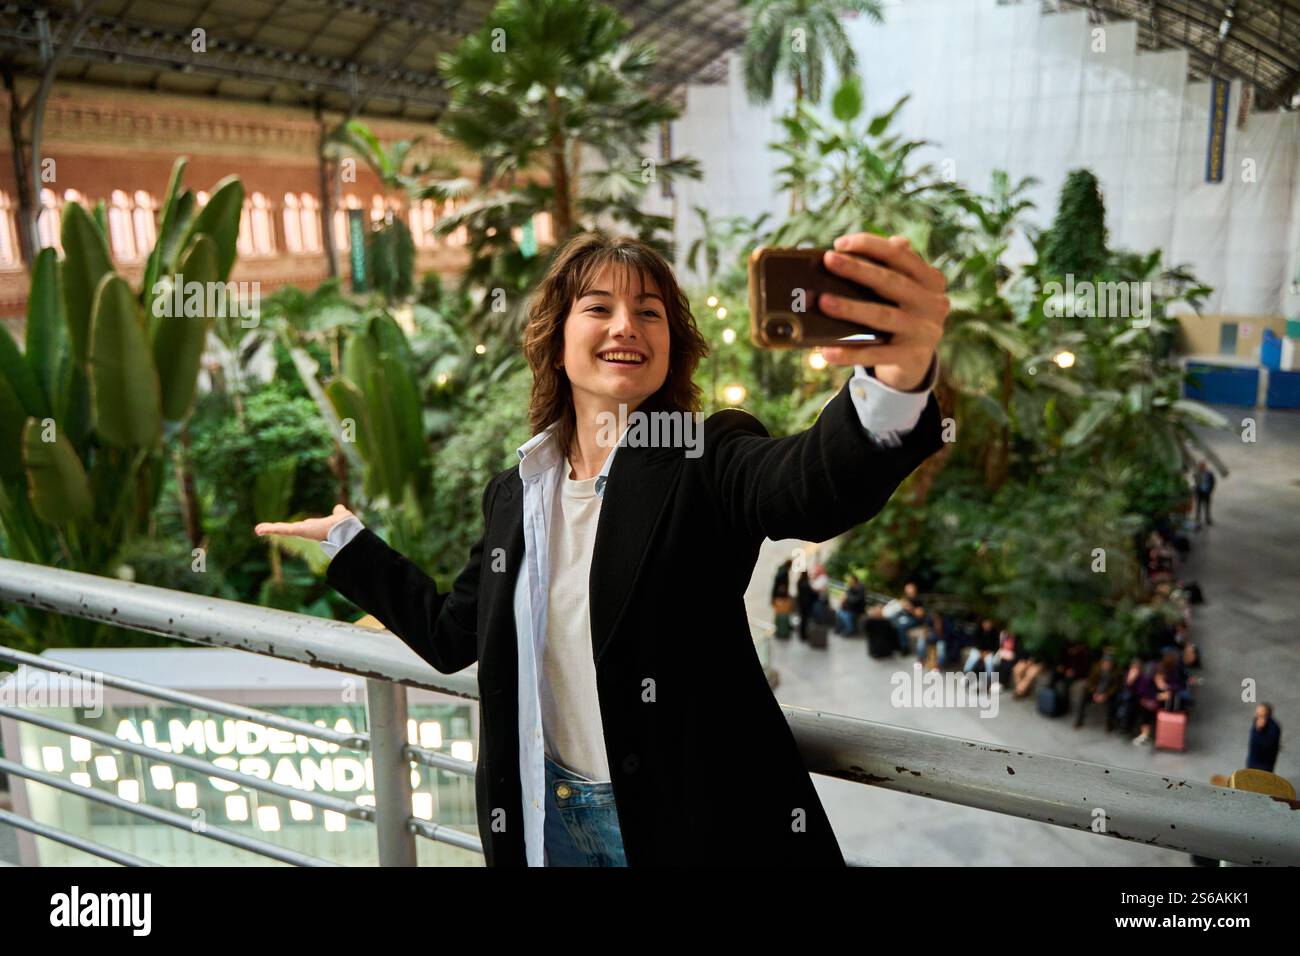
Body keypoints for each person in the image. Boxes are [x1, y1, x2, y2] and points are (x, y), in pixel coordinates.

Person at [254, 229, 950, 867]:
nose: (626, 326)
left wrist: (894, 384)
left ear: (671, 343)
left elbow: (806, 485)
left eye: (650, 312)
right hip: (546, 820)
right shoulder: (515, 493)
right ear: (556, 339)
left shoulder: (704, 456)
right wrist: (350, 546)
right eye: (598, 308)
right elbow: (452, 634)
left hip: (688, 827)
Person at [1073, 653, 1119, 731]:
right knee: (1084, 695)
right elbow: (1090, 682)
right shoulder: (1095, 668)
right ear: (1102, 662)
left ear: (1112, 664)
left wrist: (1106, 695)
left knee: (1114, 701)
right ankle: (1079, 720)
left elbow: (1115, 687)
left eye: (1109, 663)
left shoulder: (1116, 672)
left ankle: (1109, 724)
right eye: (1105, 663)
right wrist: (1095, 693)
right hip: (1095, 691)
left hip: (1106, 693)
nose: (1107, 665)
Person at [1247, 704, 1282, 773]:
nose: (1257, 714)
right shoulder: (1256, 722)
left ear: (1267, 713)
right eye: (1257, 712)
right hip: (1252, 761)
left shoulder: (1274, 727)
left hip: (1264, 765)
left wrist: (1259, 730)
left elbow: (1267, 744)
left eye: (1260, 712)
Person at [1194, 461, 1216, 528]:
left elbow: (1213, 482)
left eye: (1203, 466)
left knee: (1207, 506)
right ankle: (1198, 519)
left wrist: (1210, 490)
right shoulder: (1197, 473)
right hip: (1199, 492)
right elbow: (1196, 482)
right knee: (1198, 507)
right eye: (1200, 466)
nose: (1202, 467)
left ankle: (1207, 519)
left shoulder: (1209, 473)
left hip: (1206, 492)